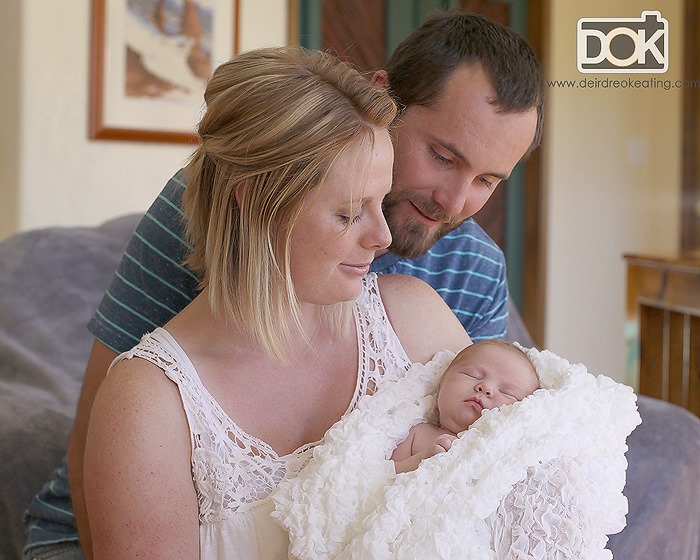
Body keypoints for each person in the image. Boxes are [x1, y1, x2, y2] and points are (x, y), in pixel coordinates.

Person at [23, 11, 543, 560]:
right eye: (442, 156)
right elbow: (103, 437)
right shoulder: (203, 221)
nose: (455, 202)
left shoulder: (460, 280)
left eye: (488, 180)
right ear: (386, 101)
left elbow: (495, 467)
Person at [82, 46, 471, 559]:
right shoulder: (149, 406)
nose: (382, 237)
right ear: (255, 200)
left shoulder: (414, 322)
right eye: (349, 213)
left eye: (381, 202)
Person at [391, 340, 540, 473]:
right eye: (473, 375)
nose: (486, 387)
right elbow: (386, 477)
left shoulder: (504, 456)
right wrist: (420, 460)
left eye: (507, 392)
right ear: (440, 389)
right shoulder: (417, 434)